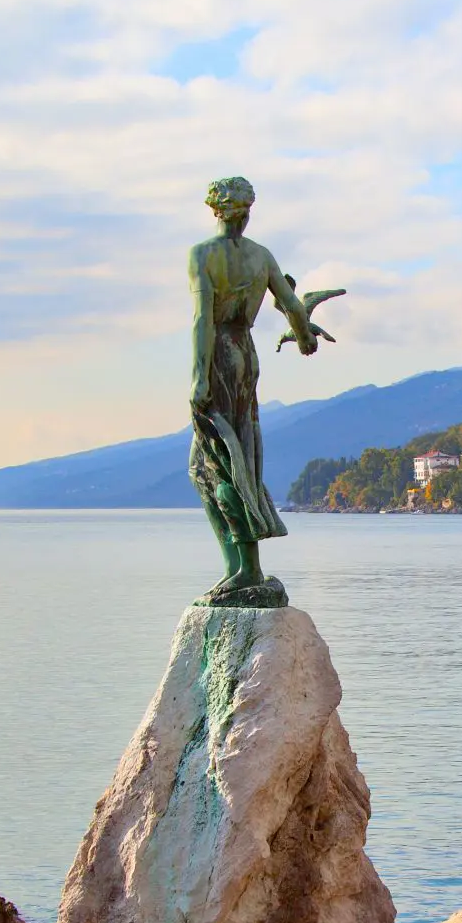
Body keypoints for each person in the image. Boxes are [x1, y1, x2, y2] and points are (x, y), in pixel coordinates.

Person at [188, 177, 341, 604]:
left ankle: (242, 569)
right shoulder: (262, 257)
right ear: (247, 210)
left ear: (215, 210)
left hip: (218, 352)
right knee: (240, 458)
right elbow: (292, 305)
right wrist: (305, 338)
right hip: (247, 355)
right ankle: (243, 567)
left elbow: (203, 318)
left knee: (210, 468)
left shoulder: (203, 255)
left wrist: (200, 376)